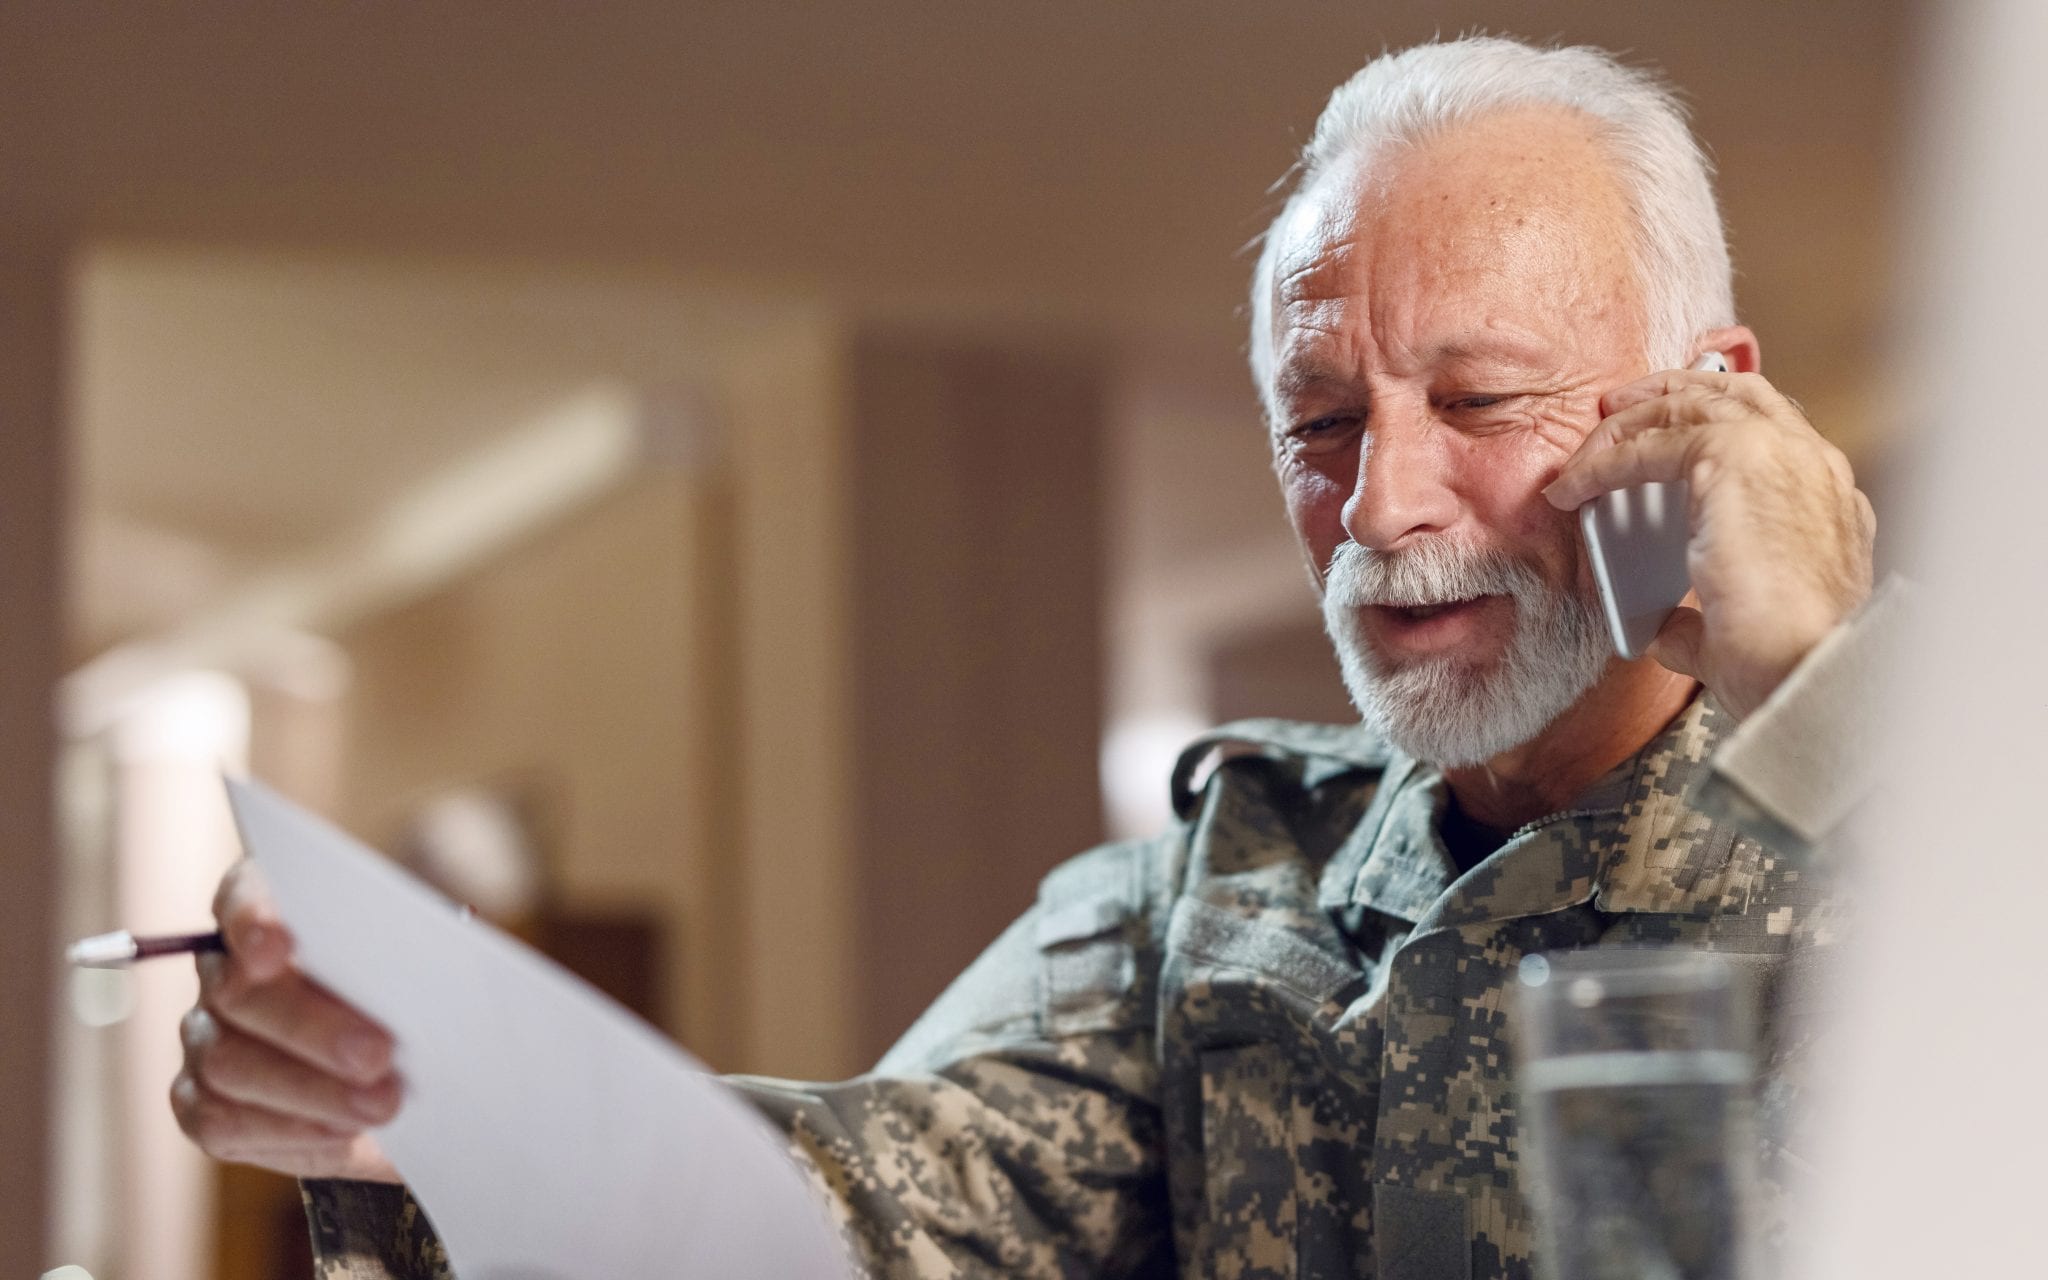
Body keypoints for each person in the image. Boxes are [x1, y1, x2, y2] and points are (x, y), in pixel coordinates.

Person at [172, 36, 1892, 1280]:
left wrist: (1816, 681)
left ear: (1712, 403)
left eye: (1480, 399)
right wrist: (436, 1089)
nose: (1377, 501)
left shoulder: (1930, 845)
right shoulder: (1212, 906)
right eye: (1318, 419)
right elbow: (830, 1218)